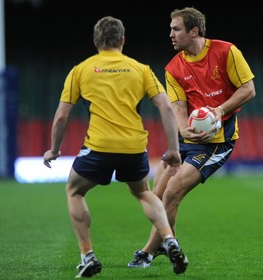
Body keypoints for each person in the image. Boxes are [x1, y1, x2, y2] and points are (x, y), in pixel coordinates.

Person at [43, 16, 188, 278]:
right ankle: (169, 240)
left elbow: (63, 115)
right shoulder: (140, 69)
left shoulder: (81, 70)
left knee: (74, 191)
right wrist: (174, 149)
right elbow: (166, 106)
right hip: (134, 148)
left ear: (96, 41)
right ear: (122, 40)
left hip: (99, 147)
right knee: (144, 193)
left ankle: (87, 256)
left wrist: (54, 150)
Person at [127, 7, 256, 269]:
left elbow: (248, 89)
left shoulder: (227, 51)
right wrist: (183, 129)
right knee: (158, 194)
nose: (170, 34)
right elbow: (178, 108)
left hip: (218, 140)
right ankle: (164, 244)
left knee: (172, 193)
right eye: (171, 29)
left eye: (176, 29)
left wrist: (219, 111)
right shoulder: (173, 67)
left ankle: (148, 252)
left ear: (194, 31)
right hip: (186, 139)